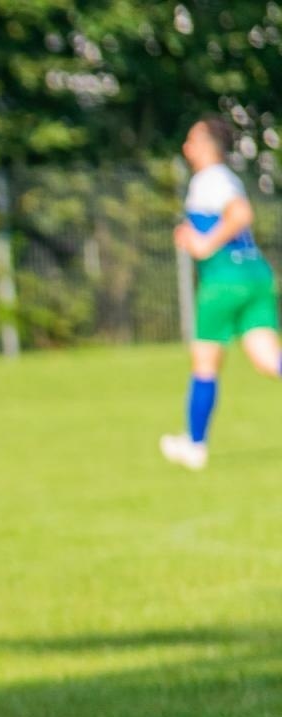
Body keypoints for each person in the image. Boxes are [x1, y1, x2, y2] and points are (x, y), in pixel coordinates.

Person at [162, 114, 282, 471]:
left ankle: (194, 445)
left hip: (223, 282)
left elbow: (240, 214)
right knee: (268, 359)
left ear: (206, 146)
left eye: (191, 140)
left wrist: (203, 244)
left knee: (204, 363)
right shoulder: (226, 177)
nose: (186, 147)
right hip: (255, 276)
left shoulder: (209, 178)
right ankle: (193, 443)